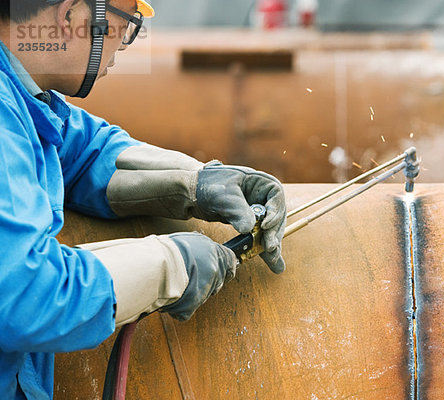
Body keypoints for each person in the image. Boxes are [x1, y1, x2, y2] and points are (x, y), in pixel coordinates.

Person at [0, 0, 287, 398]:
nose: (124, 43)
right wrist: (169, 266)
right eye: (127, 24)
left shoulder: (21, 95)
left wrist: (199, 181)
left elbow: (85, 151)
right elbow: (25, 294)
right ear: (71, 17)